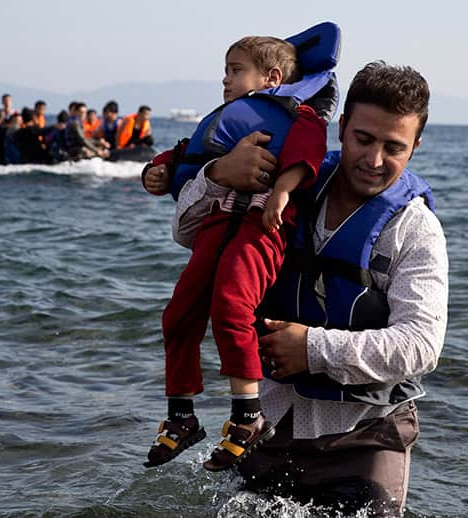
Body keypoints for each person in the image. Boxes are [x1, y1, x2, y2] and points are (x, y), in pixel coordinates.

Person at [171, 61, 448, 516]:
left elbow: (421, 346)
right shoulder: (289, 181)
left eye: (393, 147)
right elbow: (186, 231)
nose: (374, 160)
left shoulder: (415, 230)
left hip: (367, 438)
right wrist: (219, 173)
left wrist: (313, 349)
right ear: (341, 128)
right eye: (363, 139)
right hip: (270, 424)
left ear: (415, 147)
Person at [141, 31, 336, 472]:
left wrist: (282, 192)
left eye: (234, 71)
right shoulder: (229, 119)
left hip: (260, 226)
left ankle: (248, 418)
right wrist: (157, 170)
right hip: (216, 224)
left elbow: (308, 151)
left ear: (270, 78)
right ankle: (181, 416)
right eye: (225, 72)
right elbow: (187, 152)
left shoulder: (300, 115)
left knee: (231, 305)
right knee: (178, 313)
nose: (225, 82)